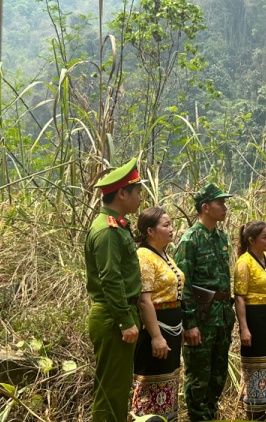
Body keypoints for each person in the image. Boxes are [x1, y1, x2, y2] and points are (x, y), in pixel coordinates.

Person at [84, 158, 147, 422]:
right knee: (111, 390)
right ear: (121, 193)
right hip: (113, 317)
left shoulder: (117, 225)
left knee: (118, 389)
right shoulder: (108, 231)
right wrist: (124, 320)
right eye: (137, 191)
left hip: (119, 315)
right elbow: (110, 279)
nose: (141, 198)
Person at [174, 183, 235, 422]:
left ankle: (211, 414)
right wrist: (189, 323)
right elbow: (184, 286)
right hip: (201, 317)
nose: (225, 207)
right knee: (199, 375)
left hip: (222, 315)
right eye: (220, 203)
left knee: (218, 374)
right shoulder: (190, 240)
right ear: (205, 207)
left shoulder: (221, 237)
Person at [131, 207, 185, 421]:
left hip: (171, 329)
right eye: (166, 225)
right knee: (150, 382)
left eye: (171, 224)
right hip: (157, 329)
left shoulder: (164, 255)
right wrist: (156, 337)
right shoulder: (144, 256)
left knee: (168, 381)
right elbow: (145, 301)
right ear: (150, 231)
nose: (172, 229)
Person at [234, 221, 266, 421]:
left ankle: (263, 409)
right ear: (251, 240)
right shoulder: (244, 263)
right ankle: (253, 411)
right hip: (254, 317)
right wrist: (244, 329)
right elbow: (239, 297)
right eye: (264, 237)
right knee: (255, 364)